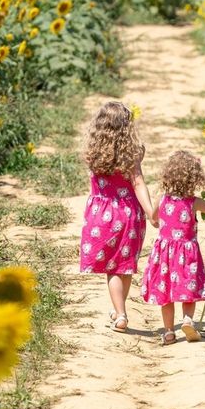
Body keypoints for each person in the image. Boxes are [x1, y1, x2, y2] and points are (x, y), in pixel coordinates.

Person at [79, 101, 157, 333]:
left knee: (112, 268)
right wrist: (151, 212)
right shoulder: (132, 152)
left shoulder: (92, 152)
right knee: (124, 265)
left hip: (102, 215)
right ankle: (119, 309)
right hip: (129, 213)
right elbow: (139, 183)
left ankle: (120, 313)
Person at [141, 151, 205, 345]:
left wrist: (158, 223)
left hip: (165, 255)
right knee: (187, 288)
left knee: (166, 294)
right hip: (187, 254)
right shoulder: (193, 202)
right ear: (195, 178)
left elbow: (154, 218)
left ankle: (169, 331)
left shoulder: (163, 199)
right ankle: (188, 320)